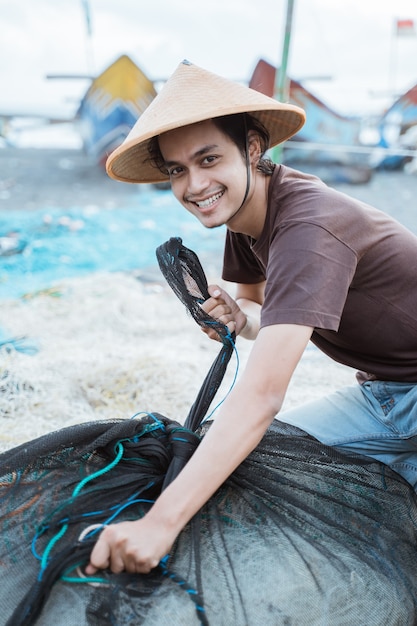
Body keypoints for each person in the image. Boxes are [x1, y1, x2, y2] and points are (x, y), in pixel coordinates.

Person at [85, 60, 417, 577]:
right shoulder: (247, 217)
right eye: (176, 170)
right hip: (387, 394)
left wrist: (161, 523)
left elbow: (262, 394)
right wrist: (240, 318)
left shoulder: (308, 225)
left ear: (254, 149)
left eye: (209, 158)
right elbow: (265, 313)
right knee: (253, 461)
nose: (195, 185)